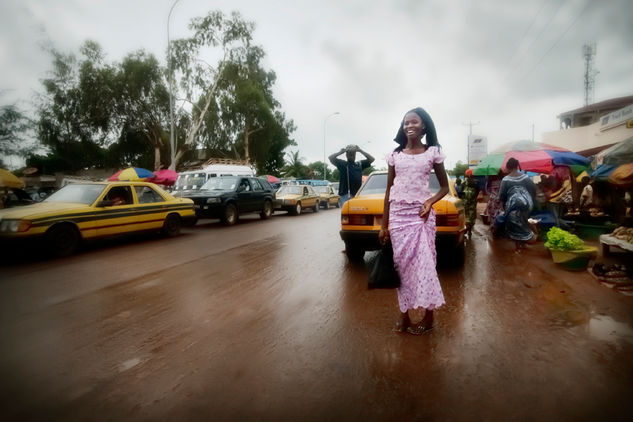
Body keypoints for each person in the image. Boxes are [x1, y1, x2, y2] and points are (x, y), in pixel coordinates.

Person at [379, 107, 449, 335]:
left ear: (424, 126)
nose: (409, 126)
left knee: (425, 267)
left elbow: (444, 187)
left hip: (421, 217)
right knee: (402, 269)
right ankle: (405, 316)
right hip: (398, 217)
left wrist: (429, 203)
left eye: (414, 122)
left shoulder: (433, 152)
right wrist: (384, 225)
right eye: (405, 123)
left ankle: (429, 318)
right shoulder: (395, 155)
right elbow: (389, 192)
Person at [499, 157, 536, 250]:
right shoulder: (526, 177)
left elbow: (502, 196)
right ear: (517, 166)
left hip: (513, 207)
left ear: (508, 167)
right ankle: (524, 243)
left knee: (514, 226)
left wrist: (504, 206)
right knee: (524, 223)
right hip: (527, 205)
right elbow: (533, 191)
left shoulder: (505, 180)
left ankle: (518, 245)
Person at [462, 170, 479, 238]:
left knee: (465, 216)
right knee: (471, 216)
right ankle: (469, 230)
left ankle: (466, 227)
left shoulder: (463, 183)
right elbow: (477, 193)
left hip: (465, 202)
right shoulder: (476, 183)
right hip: (472, 202)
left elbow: (460, 192)